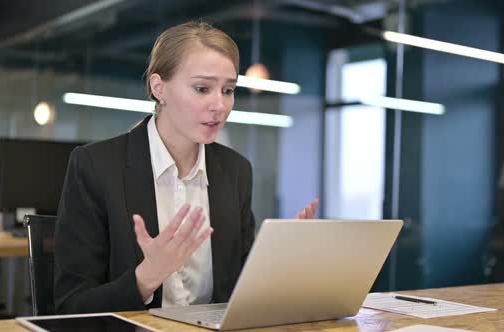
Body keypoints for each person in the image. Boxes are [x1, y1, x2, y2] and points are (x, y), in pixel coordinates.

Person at [54, 21, 319, 314]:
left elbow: (238, 291)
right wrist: (147, 277)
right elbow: (70, 308)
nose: (219, 105)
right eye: (202, 88)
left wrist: (278, 265)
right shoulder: (96, 166)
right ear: (159, 88)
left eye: (228, 90)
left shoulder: (236, 171)